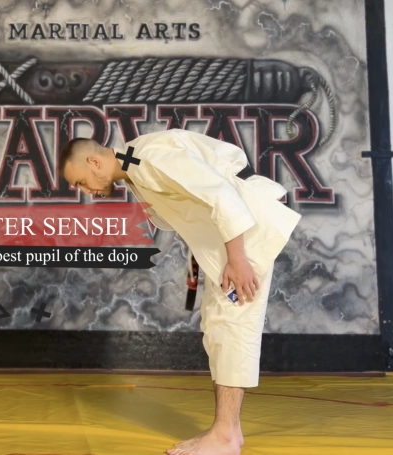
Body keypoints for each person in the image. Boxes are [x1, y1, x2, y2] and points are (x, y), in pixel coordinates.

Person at [58, 129, 301, 455]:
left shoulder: (148, 157)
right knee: (218, 325)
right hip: (228, 235)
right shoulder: (134, 166)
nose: (86, 191)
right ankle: (229, 430)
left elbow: (220, 192)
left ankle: (225, 436)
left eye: (80, 182)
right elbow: (193, 205)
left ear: (94, 162)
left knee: (233, 323)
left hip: (247, 224)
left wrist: (238, 258)